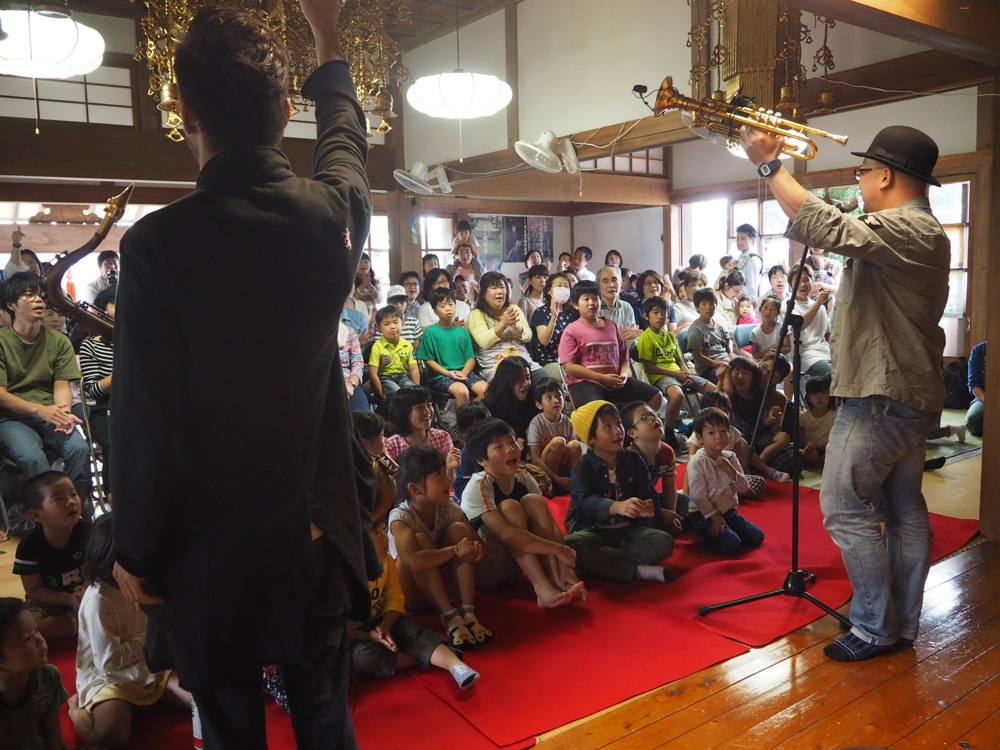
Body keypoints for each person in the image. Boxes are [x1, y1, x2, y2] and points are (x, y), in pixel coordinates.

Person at [110, 5, 377, 748]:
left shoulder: (158, 245)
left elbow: (145, 421)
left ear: (185, 112)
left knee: (229, 729)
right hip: (313, 529)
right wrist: (327, 38)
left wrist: (134, 547)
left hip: (210, 549)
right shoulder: (328, 218)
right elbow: (346, 145)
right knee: (325, 719)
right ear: (285, 110)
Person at [742, 122, 950, 662]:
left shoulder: (909, 227)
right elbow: (833, 228)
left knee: (840, 503)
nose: (858, 181)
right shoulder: (914, 229)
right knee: (902, 510)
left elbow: (830, 227)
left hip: (881, 392)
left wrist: (770, 165)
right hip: (904, 391)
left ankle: (876, 626)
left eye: (862, 172)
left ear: (885, 175)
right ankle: (899, 625)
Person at [69, 515, 190, 749]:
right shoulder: (98, 601)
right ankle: (77, 712)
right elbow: (109, 662)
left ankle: (143, 702)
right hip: (110, 678)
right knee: (110, 737)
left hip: (149, 666)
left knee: (202, 703)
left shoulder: (145, 582)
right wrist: (148, 640)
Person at [460, 418, 586, 607]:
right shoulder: (479, 485)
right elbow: (507, 535)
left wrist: (566, 568)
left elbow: (550, 525)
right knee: (510, 507)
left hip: (516, 566)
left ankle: (555, 582)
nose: (510, 449)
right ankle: (541, 587)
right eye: (499, 446)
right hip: (487, 569)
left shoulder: (523, 477)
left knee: (534, 501)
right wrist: (558, 549)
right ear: (481, 460)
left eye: (512, 442)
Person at [388, 445, 489, 655]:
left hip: (444, 587)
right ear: (415, 489)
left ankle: (467, 613)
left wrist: (475, 549)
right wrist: (455, 550)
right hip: (412, 595)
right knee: (420, 540)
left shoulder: (448, 508)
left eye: (445, 472)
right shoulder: (401, 517)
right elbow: (413, 562)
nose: (447, 480)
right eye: (438, 475)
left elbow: (479, 544)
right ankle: (450, 617)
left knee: (459, 529)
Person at [360, 512, 480, 687]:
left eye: (384, 530)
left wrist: (386, 624)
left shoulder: (386, 562)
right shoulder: (345, 574)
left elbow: (395, 598)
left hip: (384, 620)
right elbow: (342, 627)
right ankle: (422, 657)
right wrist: (369, 635)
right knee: (365, 657)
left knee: (411, 631)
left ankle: (456, 665)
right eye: (376, 533)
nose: (385, 538)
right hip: (358, 634)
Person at [0, 273, 92, 501]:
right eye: (29, 295)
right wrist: (41, 410)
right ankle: (47, 512)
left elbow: (61, 385)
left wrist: (64, 413)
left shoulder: (59, 341)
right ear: (11, 305)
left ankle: (77, 511)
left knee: (79, 449)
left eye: (40, 296)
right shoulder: (2, 341)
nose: (39, 300)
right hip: (11, 417)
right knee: (32, 458)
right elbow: (1, 396)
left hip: (49, 412)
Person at [565, 400, 676, 583]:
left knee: (664, 541)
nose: (617, 431)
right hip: (594, 531)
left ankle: (604, 562)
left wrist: (648, 507)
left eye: (618, 424)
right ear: (591, 439)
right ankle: (637, 571)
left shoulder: (634, 459)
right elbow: (583, 502)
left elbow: (649, 494)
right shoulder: (582, 467)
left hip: (630, 531)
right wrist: (616, 506)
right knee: (570, 545)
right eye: (607, 427)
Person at [558, 281, 664, 412]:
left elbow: (623, 356)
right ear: (576, 305)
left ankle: (634, 424)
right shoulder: (571, 331)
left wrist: (624, 375)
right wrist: (601, 378)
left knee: (656, 396)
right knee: (602, 411)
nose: (591, 303)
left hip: (615, 380)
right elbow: (569, 367)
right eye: (586, 299)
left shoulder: (611, 325)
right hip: (586, 382)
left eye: (595, 298)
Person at [12, 470, 90, 642]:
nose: (71, 501)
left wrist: (85, 590)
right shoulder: (28, 547)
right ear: (36, 515)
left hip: (87, 593)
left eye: (73, 494)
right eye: (59, 498)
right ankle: (80, 624)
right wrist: (68, 599)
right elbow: (34, 591)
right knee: (27, 627)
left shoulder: (90, 532)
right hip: (48, 600)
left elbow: (98, 570)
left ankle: (82, 620)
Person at [685, 408, 766, 555]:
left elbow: (743, 488)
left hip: (729, 512)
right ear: (699, 438)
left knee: (757, 537)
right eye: (711, 433)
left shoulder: (731, 457)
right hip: (704, 515)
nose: (718, 436)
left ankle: (728, 528)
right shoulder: (697, 461)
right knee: (732, 545)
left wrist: (730, 470)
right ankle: (703, 535)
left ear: (730, 433)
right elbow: (697, 496)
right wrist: (714, 517)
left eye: (723, 431)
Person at [635, 295, 715, 440]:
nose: (660, 316)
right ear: (646, 316)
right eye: (655, 312)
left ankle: (700, 425)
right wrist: (677, 375)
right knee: (677, 395)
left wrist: (687, 375)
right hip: (660, 376)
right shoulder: (645, 338)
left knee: (714, 391)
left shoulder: (670, 336)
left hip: (678, 373)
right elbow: (649, 367)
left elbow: (679, 360)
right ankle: (669, 431)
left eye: (663, 313)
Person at [0, 597, 71, 750]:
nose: (40, 640)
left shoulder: (48, 677)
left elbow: (52, 730)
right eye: (27, 638)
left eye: (36, 630)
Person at [687, 391, 788, 495]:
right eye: (718, 410)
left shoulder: (732, 431)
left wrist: (742, 479)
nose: (723, 414)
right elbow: (690, 466)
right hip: (709, 480)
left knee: (759, 482)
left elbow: (740, 462)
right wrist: (687, 495)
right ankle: (727, 494)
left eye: (726, 410)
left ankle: (731, 493)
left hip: (730, 476)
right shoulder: (699, 435)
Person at [468, 271, 545, 383]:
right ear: (483, 293)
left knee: (546, 383)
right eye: (494, 288)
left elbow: (528, 336)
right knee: (515, 385)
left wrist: (516, 327)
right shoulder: (476, 314)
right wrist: (503, 323)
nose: (499, 291)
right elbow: (484, 342)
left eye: (502, 287)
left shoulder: (513, 308)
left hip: (524, 362)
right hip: (496, 365)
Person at [416, 287, 487, 408]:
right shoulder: (430, 332)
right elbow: (428, 361)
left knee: (487, 391)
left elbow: (470, 358)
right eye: (442, 306)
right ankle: (463, 419)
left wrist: (463, 373)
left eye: (450, 304)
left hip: (464, 372)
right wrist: (448, 373)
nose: (448, 308)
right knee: (462, 391)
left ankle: (468, 414)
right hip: (440, 375)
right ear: (435, 310)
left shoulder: (462, 331)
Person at [621, 400, 690, 520]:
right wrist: (661, 513)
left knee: (685, 501)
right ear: (632, 433)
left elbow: (669, 486)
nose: (653, 418)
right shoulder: (628, 458)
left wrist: (671, 514)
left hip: (652, 499)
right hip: (633, 504)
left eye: (653, 414)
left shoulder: (668, 451)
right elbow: (628, 496)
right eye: (644, 418)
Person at [526, 378, 582, 494]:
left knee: (576, 445)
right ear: (539, 404)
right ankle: (553, 483)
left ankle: (569, 480)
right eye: (549, 397)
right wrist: (557, 479)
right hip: (544, 468)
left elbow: (572, 452)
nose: (556, 400)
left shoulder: (568, 422)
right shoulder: (536, 423)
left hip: (562, 465)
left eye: (559, 395)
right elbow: (535, 459)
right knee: (559, 442)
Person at [383, 386, 459, 469]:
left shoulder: (442, 437)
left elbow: (449, 474)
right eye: (419, 407)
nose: (427, 411)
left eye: (429, 405)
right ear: (404, 412)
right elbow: (391, 476)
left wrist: (451, 468)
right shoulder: (392, 445)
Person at [529, 271, 578, 380]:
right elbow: (544, 340)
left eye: (566, 286)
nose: (563, 289)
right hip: (550, 361)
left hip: (572, 360)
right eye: (559, 286)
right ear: (549, 291)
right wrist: (553, 317)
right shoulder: (541, 312)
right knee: (573, 375)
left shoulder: (573, 313)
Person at [687, 287, 739, 384]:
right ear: (697, 307)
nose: (709, 307)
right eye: (704, 304)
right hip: (708, 369)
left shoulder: (719, 326)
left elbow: (728, 351)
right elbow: (698, 356)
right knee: (730, 378)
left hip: (725, 362)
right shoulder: (696, 329)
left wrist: (737, 363)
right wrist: (715, 364)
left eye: (711, 303)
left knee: (747, 369)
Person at [368, 305, 419, 401]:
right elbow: (373, 373)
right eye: (387, 324)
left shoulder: (407, 345)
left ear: (402, 324)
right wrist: (381, 393)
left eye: (396, 322)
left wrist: (417, 388)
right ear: (379, 329)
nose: (392, 327)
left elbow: (414, 369)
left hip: (402, 377)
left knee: (415, 392)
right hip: (385, 378)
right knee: (398, 394)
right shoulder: (377, 346)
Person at [597, 265, 642, 343]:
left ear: (621, 282)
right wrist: (616, 336)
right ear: (599, 285)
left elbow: (631, 338)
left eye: (614, 280)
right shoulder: (593, 308)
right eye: (605, 281)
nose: (611, 285)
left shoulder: (627, 307)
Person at [799, 375, 836, 468]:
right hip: (811, 449)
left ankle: (817, 462)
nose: (819, 397)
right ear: (809, 398)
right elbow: (800, 436)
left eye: (823, 393)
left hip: (829, 448)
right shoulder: (803, 416)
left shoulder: (835, 414)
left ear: (830, 395)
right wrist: (806, 444)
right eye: (814, 394)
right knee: (810, 456)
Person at [339, 314, 369, 412]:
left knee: (362, 413)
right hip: (321, 383)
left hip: (348, 380)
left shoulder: (349, 332)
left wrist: (351, 385)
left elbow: (357, 361)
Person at [749, 295, 784, 360]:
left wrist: (777, 351)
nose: (768, 311)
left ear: (778, 312)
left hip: (779, 360)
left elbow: (788, 348)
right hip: (763, 361)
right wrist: (767, 352)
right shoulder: (755, 332)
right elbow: (755, 355)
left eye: (773, 309)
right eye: (765, 307)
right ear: (760, 309)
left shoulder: (782, 328)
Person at [734, 223, 764, 296]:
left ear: (753, 241)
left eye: (743, 239)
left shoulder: (752, 260)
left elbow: (751, 290)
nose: (739, 242)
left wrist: (734, 299)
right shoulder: (742, 257)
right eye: (737, 238)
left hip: (745, 301)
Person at [353, 251, 382, 316]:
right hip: (357, 317)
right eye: (359, 262)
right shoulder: (351, 283)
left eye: (366, 261)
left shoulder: (376, 282)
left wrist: (371, 287)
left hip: (372, 317)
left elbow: (379, 300)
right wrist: (363, 285)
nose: (363, 264)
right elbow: (353, 300)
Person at [966, 341, 985, 437]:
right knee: (973, 421)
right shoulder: (979, 350)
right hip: (986, 397)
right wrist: (991, 404)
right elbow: (974, 385)